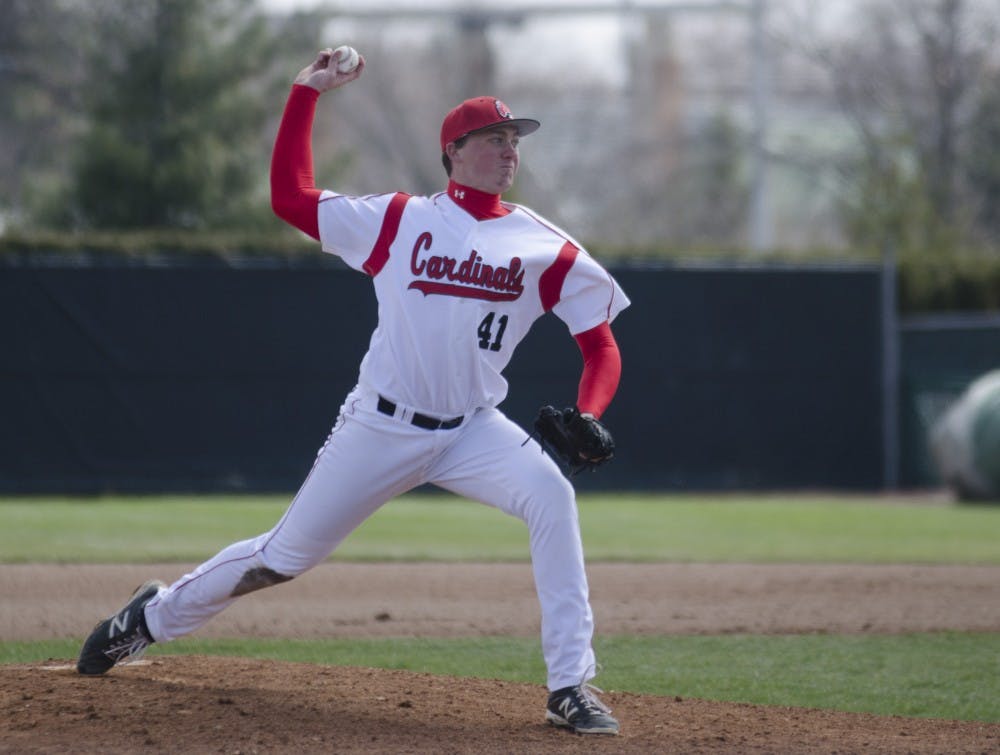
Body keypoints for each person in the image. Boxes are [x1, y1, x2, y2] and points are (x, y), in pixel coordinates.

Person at [77, 46, 630, 736]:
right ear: (453, 152)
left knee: (552, 496)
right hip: (381, 425)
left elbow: (600, 344)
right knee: (282, 557)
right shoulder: (399, 219)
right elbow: (290, 198)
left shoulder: (544, 245)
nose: (509, 150)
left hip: (472, 428)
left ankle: (570, 684)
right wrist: (305, 93)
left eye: (514, 139)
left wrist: (590, 411)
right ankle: (149, 618)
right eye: (494, 138)